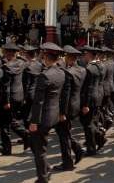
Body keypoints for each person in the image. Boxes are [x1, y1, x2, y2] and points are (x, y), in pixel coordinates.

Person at [28, 42, 66, 183]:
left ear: (46, 56)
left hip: (43, 117)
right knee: (38, 145)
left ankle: (42, 178)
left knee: (39, 150)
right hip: (54, 114)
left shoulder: (44, 76)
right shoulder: (61, 72)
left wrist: (34, 122)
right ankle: (45, 170)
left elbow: (39, 102)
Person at [54, 45, 86, 171]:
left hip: (66, 107)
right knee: (64, 132)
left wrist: (62, 112)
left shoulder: (68, 73)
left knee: (63, 135)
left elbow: (65, 95)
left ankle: (68, 162)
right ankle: (77, 149)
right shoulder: (82, 70)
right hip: (76, 105)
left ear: (67, 57)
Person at [0, 42, 29, 155]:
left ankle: (8, 148)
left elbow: (6, 86)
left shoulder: (6, 67)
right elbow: (27, 64)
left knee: (6, 124)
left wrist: (6, 101)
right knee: (12, 120)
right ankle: (26, 136)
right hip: (19, 95)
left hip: (10, 98)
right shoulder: (21, 63)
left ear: (7, 53)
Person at [80, 45, 104, 156]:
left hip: (91, 98)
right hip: (99, 95)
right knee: (93, 121)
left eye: (85, 54)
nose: (84, 56)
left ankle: (92, 147)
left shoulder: (89, 68)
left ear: (89, 55)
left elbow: (88, 88)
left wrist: (85, 104)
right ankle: (99, 139)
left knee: (88, 125)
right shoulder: (100, 65)